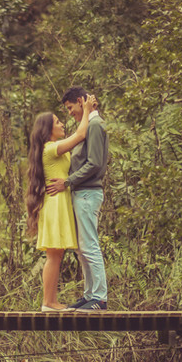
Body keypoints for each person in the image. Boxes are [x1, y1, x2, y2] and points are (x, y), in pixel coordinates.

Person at [26, 94, 97, 311]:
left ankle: (51, 301)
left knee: (56, 255)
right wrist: (86, 110)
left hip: (59, 202)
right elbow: (81, 134)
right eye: (57, 122)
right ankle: (48, 302)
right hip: (55, 204)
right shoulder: (50, 148)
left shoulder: (54, 147)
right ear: (47, 129)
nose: (62, 124)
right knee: (54, 255)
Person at [47, 86, 109, 311]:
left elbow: (94, 163)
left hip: (87, 192)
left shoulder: (94, 124)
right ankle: (90, 294)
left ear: (81, 101)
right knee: (82, 248)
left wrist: (68, 181)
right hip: (82, 193)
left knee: (89, 245)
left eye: (71, 107)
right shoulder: (90, 124)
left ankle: (100, 298)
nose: (70, 113)